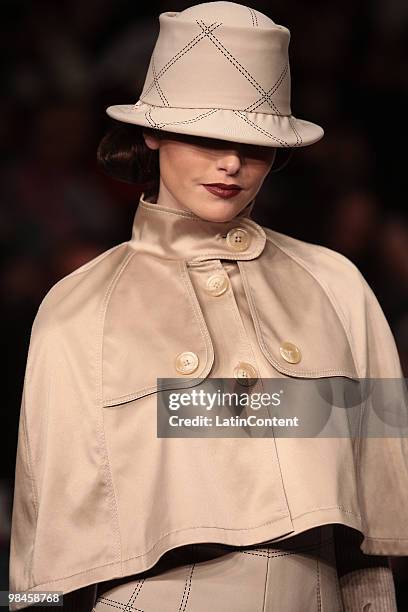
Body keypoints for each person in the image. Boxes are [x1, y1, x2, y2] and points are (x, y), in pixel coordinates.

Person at [9, 2, 408, 611]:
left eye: (255, 143)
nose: (231, 163)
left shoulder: (335, 286)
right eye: (206, 135)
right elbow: (41, 530)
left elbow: (373, 528)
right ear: (152, 132)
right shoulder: (80, 306)